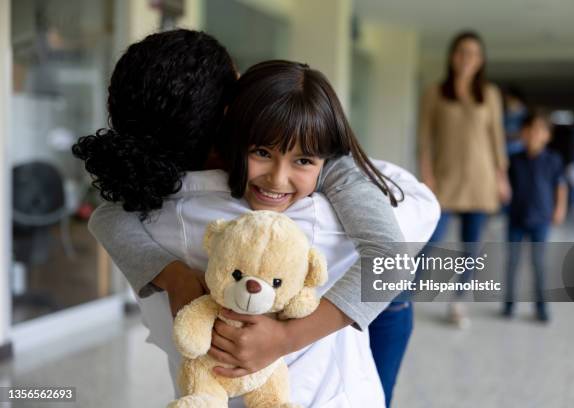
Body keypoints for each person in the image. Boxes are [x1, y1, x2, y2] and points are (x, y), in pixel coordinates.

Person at [73, 31, 439, 406]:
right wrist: (287, 337)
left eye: (302, 159)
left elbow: (105, 218)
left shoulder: (143, 212)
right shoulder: (305, 214)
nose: (279, 175)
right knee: (396, 302)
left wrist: (174, 275)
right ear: (229, 118)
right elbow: (417, 215)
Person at [418, 30, 510, 328]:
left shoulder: (491, 94)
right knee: (430, 243)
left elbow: (497, 138)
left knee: (471, 248)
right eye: (461, 52)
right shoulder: (435, 92)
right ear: (451, 56)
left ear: (481, 60)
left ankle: (458, 301)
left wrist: (502, 177)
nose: (466, 58)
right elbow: (424, 139)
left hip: (481, 180)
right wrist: (427, 175)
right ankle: (399, 295)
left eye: (473, 53)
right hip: (445, 180)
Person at [503, 110, 567, 322]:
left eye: (540, 130)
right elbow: (504, 185)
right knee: (512, 263)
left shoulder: (553, 160)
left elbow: (560, 186)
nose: (534, 134)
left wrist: (559, 209)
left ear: (547, 135)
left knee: (539, 264)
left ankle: (541, 308)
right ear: (522, 132)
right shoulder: (513, 159)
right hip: (516, 218)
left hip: (541, 219)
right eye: (529, 129)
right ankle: (509, 305)